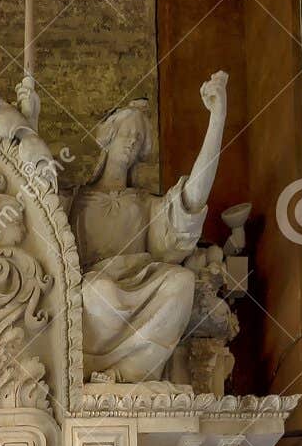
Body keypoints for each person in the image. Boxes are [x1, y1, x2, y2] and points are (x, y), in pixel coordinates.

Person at [72, 73, 228, 383]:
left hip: (142, 279)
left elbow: (191, 200)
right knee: (100, 293)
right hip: (97, 290)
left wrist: (217, 119)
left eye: (139, 137)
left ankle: (128, 374)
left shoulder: (145, 204)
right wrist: (29, 121)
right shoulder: (75, 200)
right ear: (108, 136)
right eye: (126, 133)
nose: (131, 141)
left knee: (182, 282)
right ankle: (99, 370)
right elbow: (34, 197)